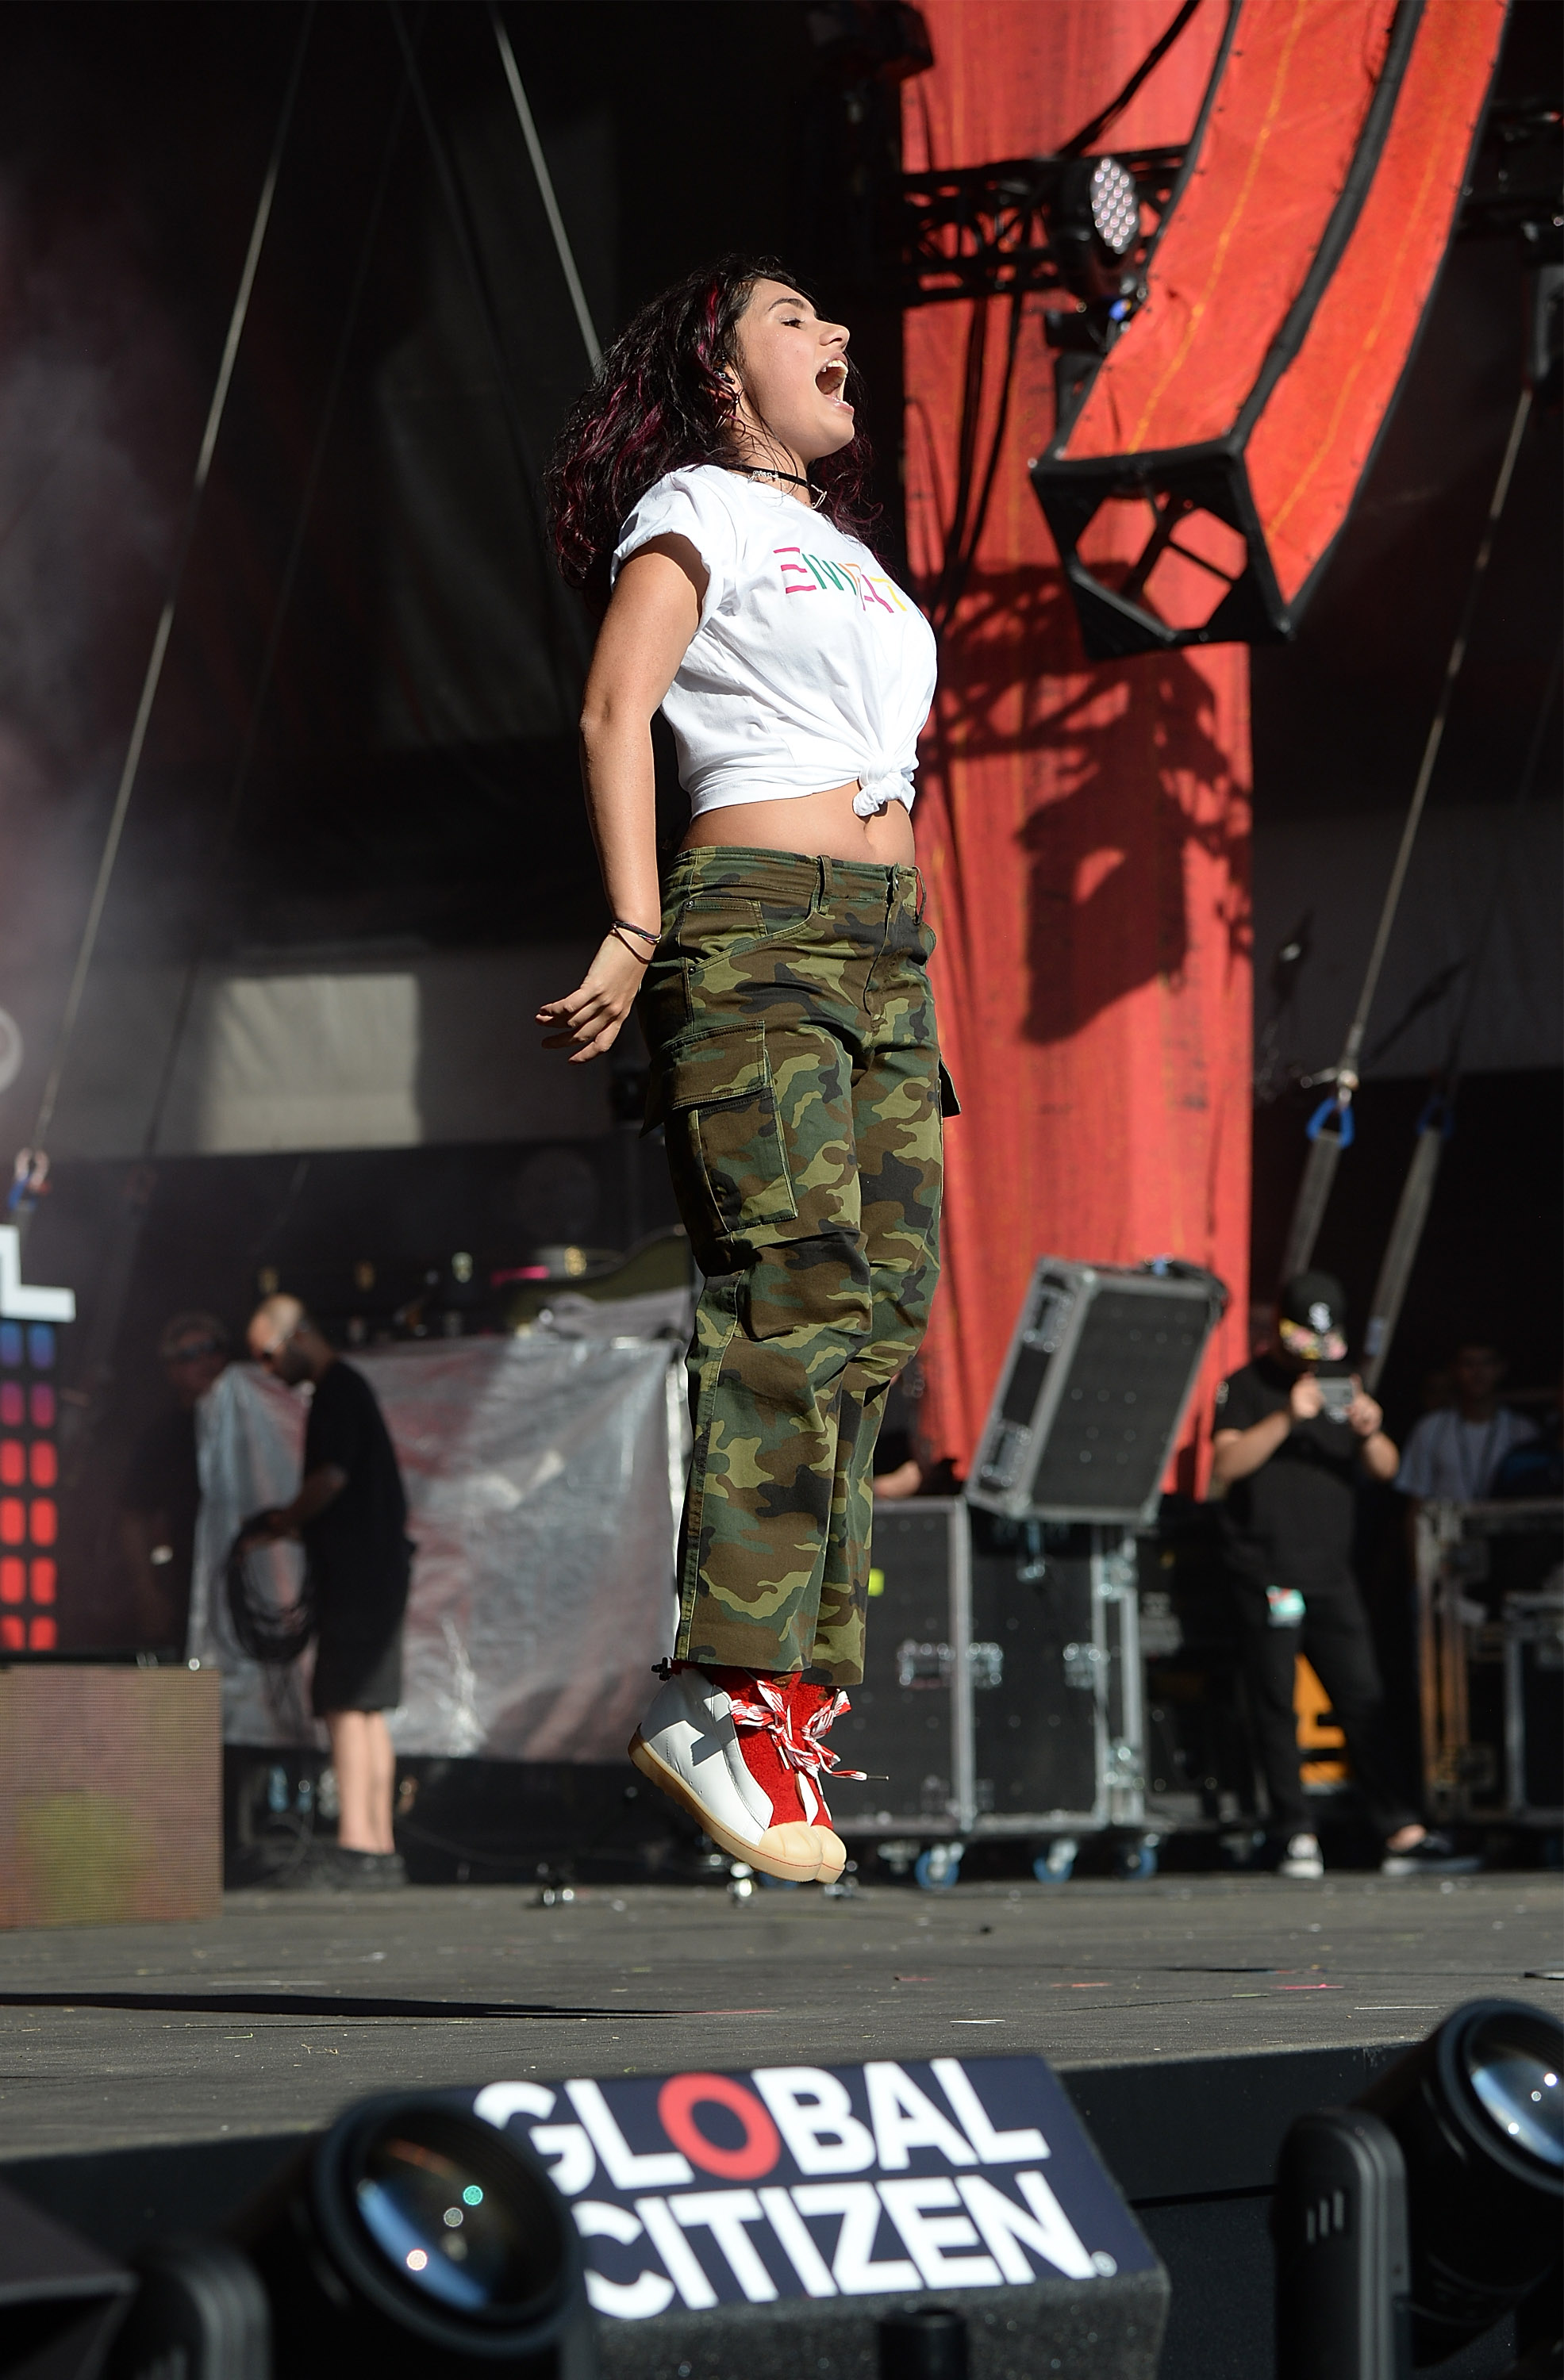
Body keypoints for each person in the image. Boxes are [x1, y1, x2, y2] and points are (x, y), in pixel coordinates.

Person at [538, 256, 944, 1887]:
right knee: (795, 1282)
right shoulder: (694, 505)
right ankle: (721, 1688)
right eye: (796, 320)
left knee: (881, 1310)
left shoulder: (849, 556)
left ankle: (784, 1698)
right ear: (717, 370)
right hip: (754, 927)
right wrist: (636, 929)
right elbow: (613, 707)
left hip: (883, 945)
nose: (839, 334)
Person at [1211, 1269, 1474, 1879]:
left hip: (1331, 1571)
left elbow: (1387, 1469)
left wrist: (1369, 1428)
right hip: (1265, 1570)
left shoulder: (1341, 1384)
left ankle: (1399, 1828)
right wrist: (1286, 1415)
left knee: (1364, 1697)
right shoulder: (1247, 1386)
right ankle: (1293, 1830)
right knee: (1275, 1702)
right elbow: (1226, 1463)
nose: (1316, 1355)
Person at [242, 1296, 410, 1890]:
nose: (267, 1369)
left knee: (346, 1703)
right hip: (376, 1569)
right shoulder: (345, 1389)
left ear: (298, 1336)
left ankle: (360, 1845)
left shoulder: (337, 1390)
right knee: (365, 1708)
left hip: (361, 1572)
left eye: (268, 1354)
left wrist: (282, 1522)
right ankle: (378, 1845)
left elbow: (330, 1478)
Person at [119, 1312, 231, 1650]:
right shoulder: (162, 1437)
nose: (204, 1361)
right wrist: (146, 1589)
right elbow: (133, 1515)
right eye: (189, 1355)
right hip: (189, 1582)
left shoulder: (257, 1424)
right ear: (172, 1370)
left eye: (210, 1349)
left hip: (253, 1581)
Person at [1396, 1343, 1537, 1503]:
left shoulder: (1522, 1430)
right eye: (1469, 1364)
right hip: (1446, 1525)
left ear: (1501, 1368)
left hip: (1505, 1525)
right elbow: (1416, 1501)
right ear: (1454, 1370)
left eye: (1487, 1363)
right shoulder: (1430, 1428)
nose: (1478, 1372)